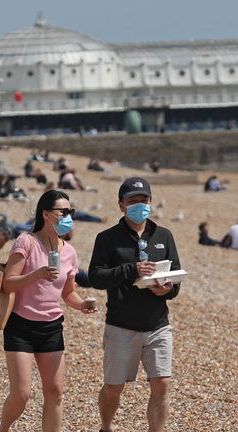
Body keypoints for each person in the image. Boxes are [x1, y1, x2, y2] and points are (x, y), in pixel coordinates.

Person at [0, 190, 94, 432]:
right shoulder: (26, 241)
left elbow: (68, 292)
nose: (69, 216)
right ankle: (2, 428)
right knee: (21, 393)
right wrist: (37, 274)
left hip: (51, 328)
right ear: (46, 214)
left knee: (56, 392)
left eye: (71, 212)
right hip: (21, 325)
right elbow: (8, 283)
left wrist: (81, 304)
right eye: (64, 212)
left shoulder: (69, 251)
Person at [89, 177, 181, 432]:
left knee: (162, 384)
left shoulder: (164, 235)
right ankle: (106, 426)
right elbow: (96, 277)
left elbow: (176, 279)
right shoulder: (107, 238)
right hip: (121, 325)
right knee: (113, 388)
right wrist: (131, 269)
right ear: (121, 205)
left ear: (150, 202)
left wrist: (167, 290)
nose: (139, 205)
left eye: (144, 200)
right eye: (133, 201)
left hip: (158, 325)